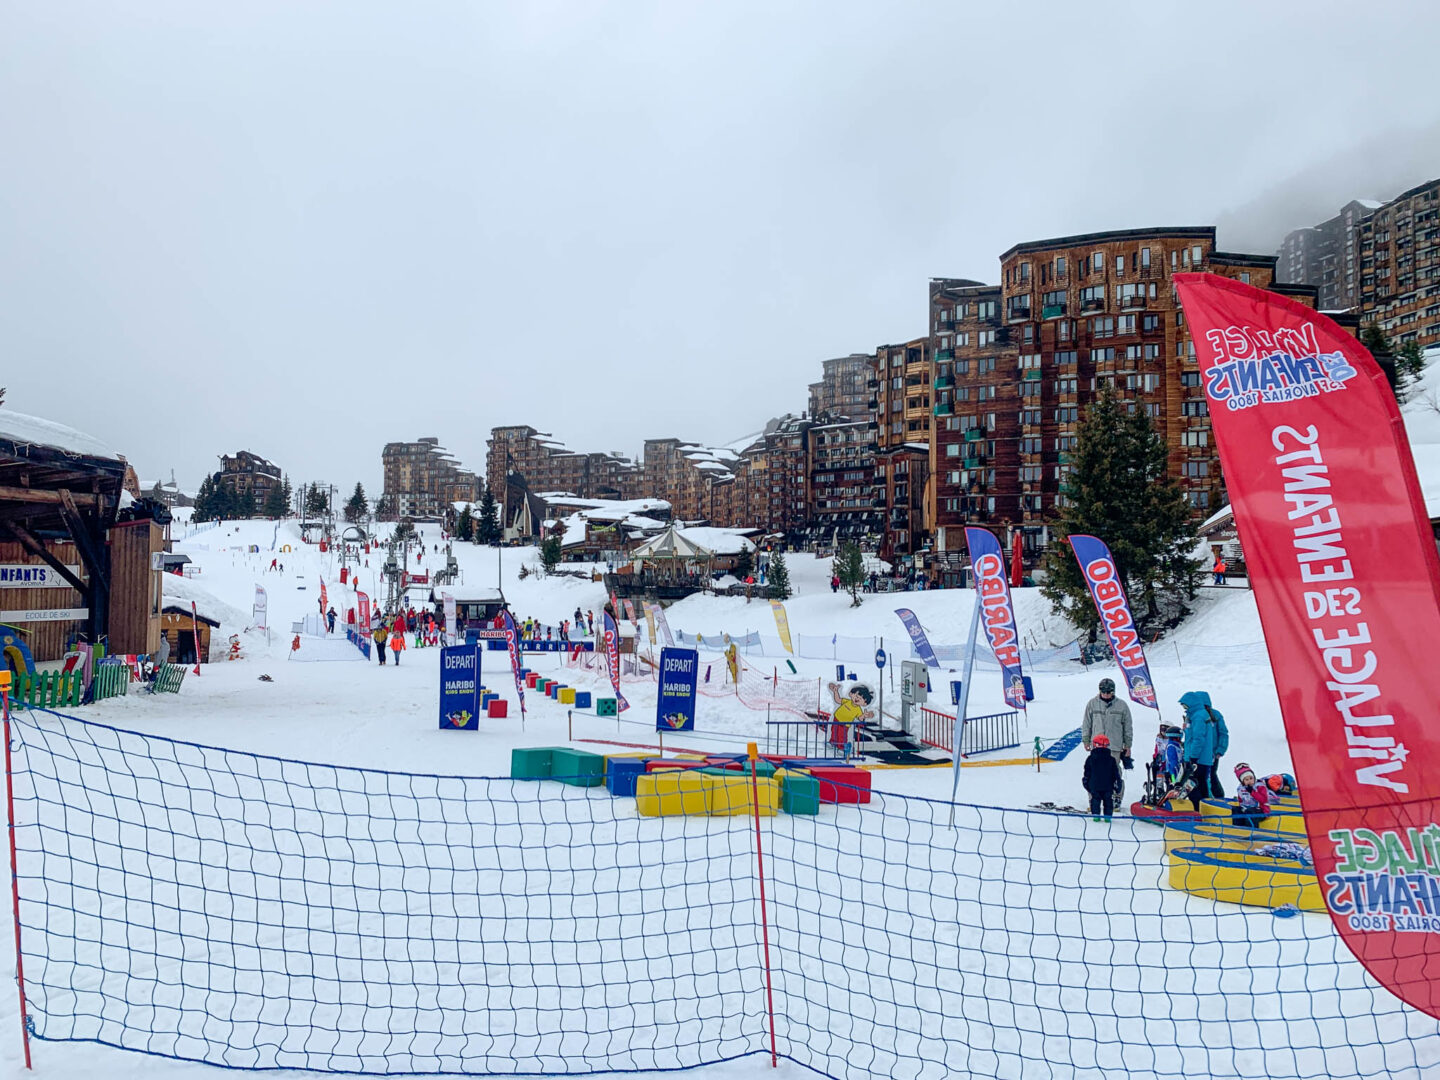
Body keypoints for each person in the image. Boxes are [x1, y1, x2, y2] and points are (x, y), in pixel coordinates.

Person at [1082, 677, 1133, 804]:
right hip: (1097, 746)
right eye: (1103, 692)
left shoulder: (1122, 706)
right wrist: (1086, 740)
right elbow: (1086, 723)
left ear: (1113, 691)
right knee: (1095, 772)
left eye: (1108, 692)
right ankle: (1093, 798)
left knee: (1114, 772)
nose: (1105, 694)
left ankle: (1116, 797)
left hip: (1114, 746)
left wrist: (1128, 745)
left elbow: (1128, 726)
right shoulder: (1092, 704)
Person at [1180, 690, 1229, 811]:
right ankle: (1208, 802)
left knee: (1208, 777)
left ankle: (1216, 799)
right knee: (1204, 779)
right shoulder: (1194, 716)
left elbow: (1223, 733)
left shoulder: (1211, 715)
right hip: (1202, 753)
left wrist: (1220, 750)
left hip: (1208, 753)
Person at [1083, 734, 1121, 822]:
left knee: (1095, 800)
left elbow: (1087, 772)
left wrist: (1086, 782)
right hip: (1108, 786)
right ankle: (1108, 817)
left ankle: (1096, 816)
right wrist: (1118, 784)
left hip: (1094, 785)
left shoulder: (1090, 758)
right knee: (1108, 800)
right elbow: (1116, 773)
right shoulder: (1111, 759)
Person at [1232, 762, 1271, 828]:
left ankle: (1252, 830)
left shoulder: (1259, 786)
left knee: (1250, 812)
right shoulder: (1241, 788)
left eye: (1251, 778)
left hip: (1261, 810)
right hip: (1246, 808)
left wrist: (1252, 792)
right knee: (1236, 810)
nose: (1249, 781)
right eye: (1246, 780)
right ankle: (1238, 829)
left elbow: (1263, 800)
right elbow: (1241, 800)